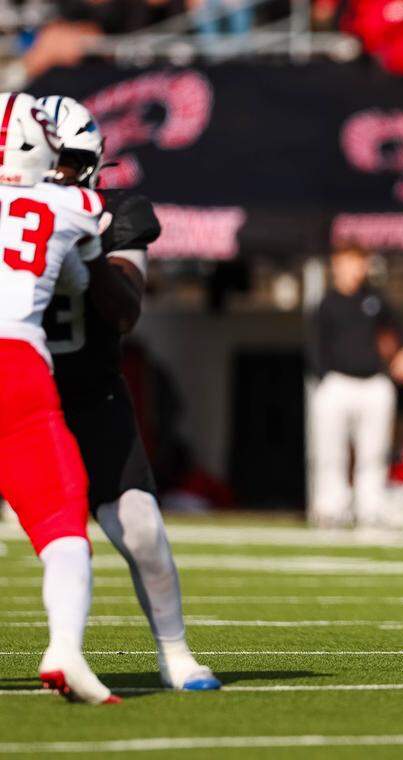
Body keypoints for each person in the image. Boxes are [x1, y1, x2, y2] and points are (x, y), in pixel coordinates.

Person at [38, 96, 220, 693]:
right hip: (19, 389)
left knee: (140, 528)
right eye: (58, 161)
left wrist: (83, 256)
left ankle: (175, 652)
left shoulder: (115, 212)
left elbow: (125, 312)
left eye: (73, 162)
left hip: (89, 394)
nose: (65, 174)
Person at [0, 92, 114, 703]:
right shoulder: (74, 204)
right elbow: (77, 278)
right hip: (14, 364)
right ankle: (64, 650)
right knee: (62, 524)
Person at [308, 243, 403, 529]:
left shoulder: (376, 300)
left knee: (373, 451)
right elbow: (315, 345)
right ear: (337, 266)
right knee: (330, 451)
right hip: (336, 383)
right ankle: (330, 505)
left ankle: (370, 506)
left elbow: (395, 336)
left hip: (374, 384)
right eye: (349, 262)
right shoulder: (326, 303)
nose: (355, 269)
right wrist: (323, 377)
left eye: (359, 263)